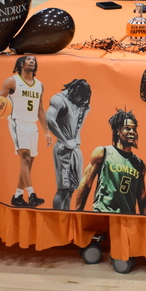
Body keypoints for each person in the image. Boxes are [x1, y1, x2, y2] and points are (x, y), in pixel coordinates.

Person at [0, 55, 52, 208]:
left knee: (29, 161)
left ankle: (18, 196)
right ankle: (32, 195)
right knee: (24, 157)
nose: (32, 61)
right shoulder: (12, 81)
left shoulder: (40, 85)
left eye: (34, 60)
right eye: (28, 59)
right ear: (20, 63)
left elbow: (40, 109)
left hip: (32, 125)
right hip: (18, 122)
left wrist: (46, 131)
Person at [74, 109, 146, 214]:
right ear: (118, 131)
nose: (132, 132)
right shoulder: (103, 152)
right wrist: (77, 214)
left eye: (134, 129)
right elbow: (86, 184)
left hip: (127, 219)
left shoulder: (139, 164)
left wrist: (145, 223)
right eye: (127, 128)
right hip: (103, 213)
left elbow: (142, 197)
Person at [45, 78, 92, 210]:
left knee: (72, 189)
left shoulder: (82, 103)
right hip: (63, 149)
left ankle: (66, 217)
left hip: (75, 149)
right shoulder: (59, 100)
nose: (80, 100)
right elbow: (49, 120)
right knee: (63, 190)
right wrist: (65, 140)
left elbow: (77, 125)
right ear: (74, 91)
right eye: (79, 97)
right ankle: (57, 221)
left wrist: (84, 110)